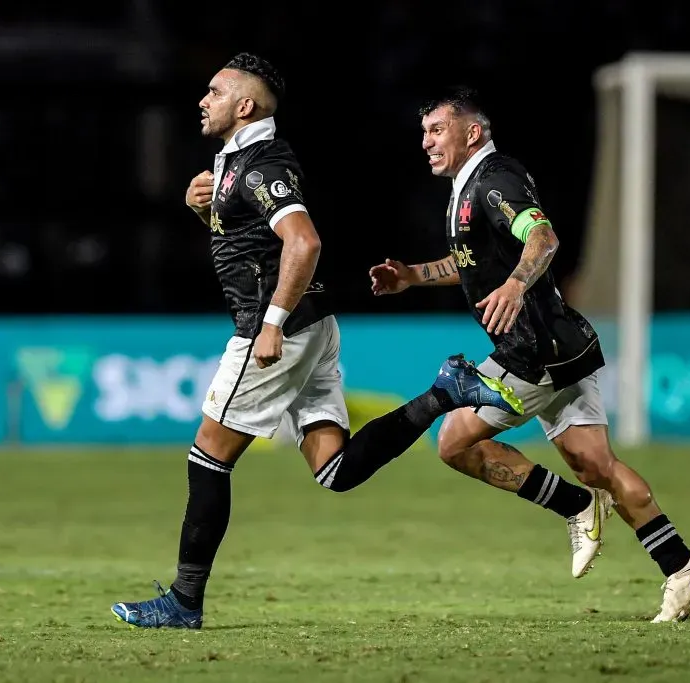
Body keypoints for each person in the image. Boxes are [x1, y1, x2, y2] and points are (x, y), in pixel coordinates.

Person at [110, 56, 523, 630]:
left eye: (214, 91)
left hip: (276, 326)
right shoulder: (235, 163)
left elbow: (303, 243)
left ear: (245, 106)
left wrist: (273, 323)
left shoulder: (260, 164)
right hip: (311, 323)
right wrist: (201, 209)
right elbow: (248, 244)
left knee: (208, 456)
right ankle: (442, 393)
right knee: (335, 468)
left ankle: (183, 602)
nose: (202, 99)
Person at [369, 86, 690, 623]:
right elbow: (471, 260)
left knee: (454, 441)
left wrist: (512, 286)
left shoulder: (494, 182)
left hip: (535, 352)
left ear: (472, 132)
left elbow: (544, 239)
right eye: (424, 133)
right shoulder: (471, 187)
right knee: (595, 465)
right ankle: (681, 565)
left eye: (437, 131)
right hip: (563, 344)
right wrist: (415, 276)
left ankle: (575, 508)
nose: (427, 142)